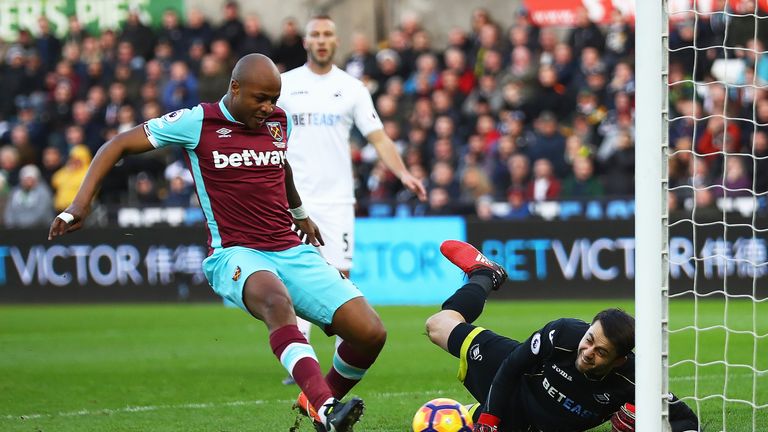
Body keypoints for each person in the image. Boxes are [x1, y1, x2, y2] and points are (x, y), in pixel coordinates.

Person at [48, 54, 386, 432]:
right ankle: (327, 408)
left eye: (274, 98)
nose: (268, 107)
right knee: (276, 302)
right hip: (235, 253)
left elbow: (280, 164)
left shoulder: (278, 121)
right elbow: (116, 145)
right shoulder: (197, 121)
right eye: (260, 98)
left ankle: (315, 403)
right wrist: (80, 204)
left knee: (370, 333)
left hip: (290, 247)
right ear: (235, 88)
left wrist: (300, 212)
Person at [276, 15, 427, 385]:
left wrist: (403, 172)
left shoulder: (352, 88)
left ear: (336, 41)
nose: (322, 40)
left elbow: (378, 137)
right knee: (291, 276)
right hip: (292, 196)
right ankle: (303, 358)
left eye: (328, 34)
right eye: (315, 34)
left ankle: (347, 354)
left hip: (337, 199)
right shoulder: (284, 85)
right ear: (306, 41)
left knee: (340, 275)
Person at [425, 240, 700, 432]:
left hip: (530, 419)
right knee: (437, 326)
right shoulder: (564, 334)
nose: (588, 351)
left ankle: (479, 413)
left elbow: (687, 421)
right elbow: (512, 367)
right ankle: (485, 274)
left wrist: (644, 420)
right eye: (590, 339)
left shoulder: (636, 379)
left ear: (619, 361)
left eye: (601, 352)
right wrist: (489, 418)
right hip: (518, 377)